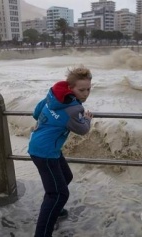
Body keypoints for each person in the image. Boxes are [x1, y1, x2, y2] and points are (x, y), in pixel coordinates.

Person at [28, 66, 93, 237]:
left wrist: (49, 121)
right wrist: (87, 119)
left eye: (88, 89)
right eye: (82, 90)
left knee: (66, 177)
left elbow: (36, 113)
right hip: (45, 153)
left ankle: (53, 208)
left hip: (43, 146)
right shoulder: (73, 110)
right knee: (58, 194)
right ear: (70, 88)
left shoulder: (53, 95)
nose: (86, 94)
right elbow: (83, 130)